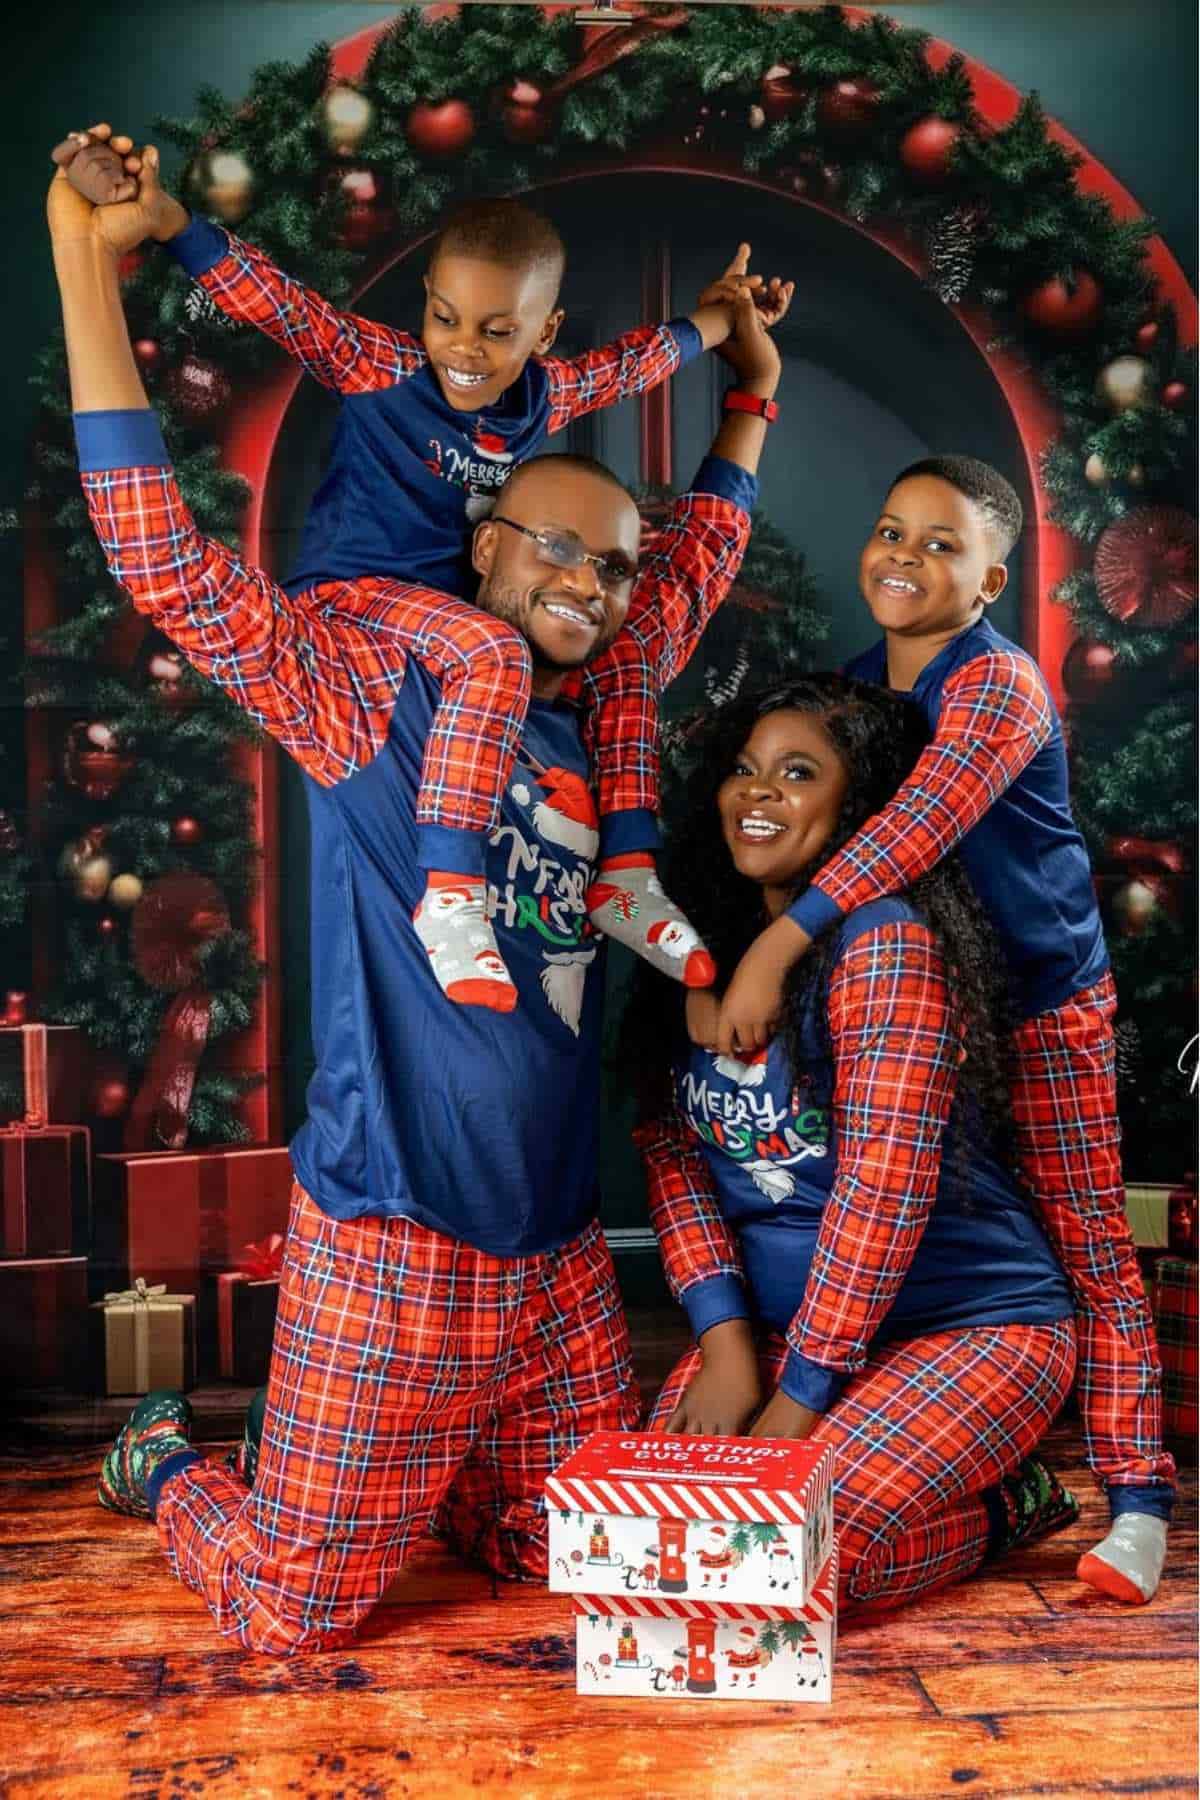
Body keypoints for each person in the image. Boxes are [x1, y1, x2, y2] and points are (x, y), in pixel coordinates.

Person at [49, 135, 781, 1653]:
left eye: (611, 566)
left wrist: (751, 383)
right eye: (552, 550)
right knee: (293, 1615)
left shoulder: (614, 698)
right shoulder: (373, 693)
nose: (585, 583)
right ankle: (172, 1466)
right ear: (483, 545)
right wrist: (82, 252)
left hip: (558, 1261)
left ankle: (434, 1478)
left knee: (563, 1567)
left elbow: (698, 544)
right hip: (392, 1246)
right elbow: (160, 561)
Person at [54, 123, 793, 1011]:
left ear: (543, 333)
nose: (464, 351)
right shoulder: (383, 372)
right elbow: (282, 307)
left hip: (451, 626)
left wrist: (728, 336)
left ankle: (627, 871)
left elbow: (638, 370)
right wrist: (170, 222)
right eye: (445, 318)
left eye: (495, 331)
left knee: (597, 658)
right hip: (357, 603)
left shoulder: (548, 400)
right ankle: (451, 893)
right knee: (492, 653)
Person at [694, 456, 1176, 1605]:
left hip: (1041, 1007)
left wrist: (777, 942)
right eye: (892, 531)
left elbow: (916, 825)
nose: (906, 557)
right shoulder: (856, 686)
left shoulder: (998, 686)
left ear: (993, 576)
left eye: (942, 544)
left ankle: (1140, 1499)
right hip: (917, 1001)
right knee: (946, 1209)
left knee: (1082, 1240)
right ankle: (964, 1449)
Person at [628, 676, 1082, 1612]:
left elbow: (882, 1190)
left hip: (969, 1330)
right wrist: (725, 1344)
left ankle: (1010, 1504)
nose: (758, 793)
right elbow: (674, 1164)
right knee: (655, 1543)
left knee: (782, 1567)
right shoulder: (697, 950)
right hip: (783, 1333)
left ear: (860, 807)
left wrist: (797, 1398)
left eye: (797, 773)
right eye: (745, 770)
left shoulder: (885, 947)